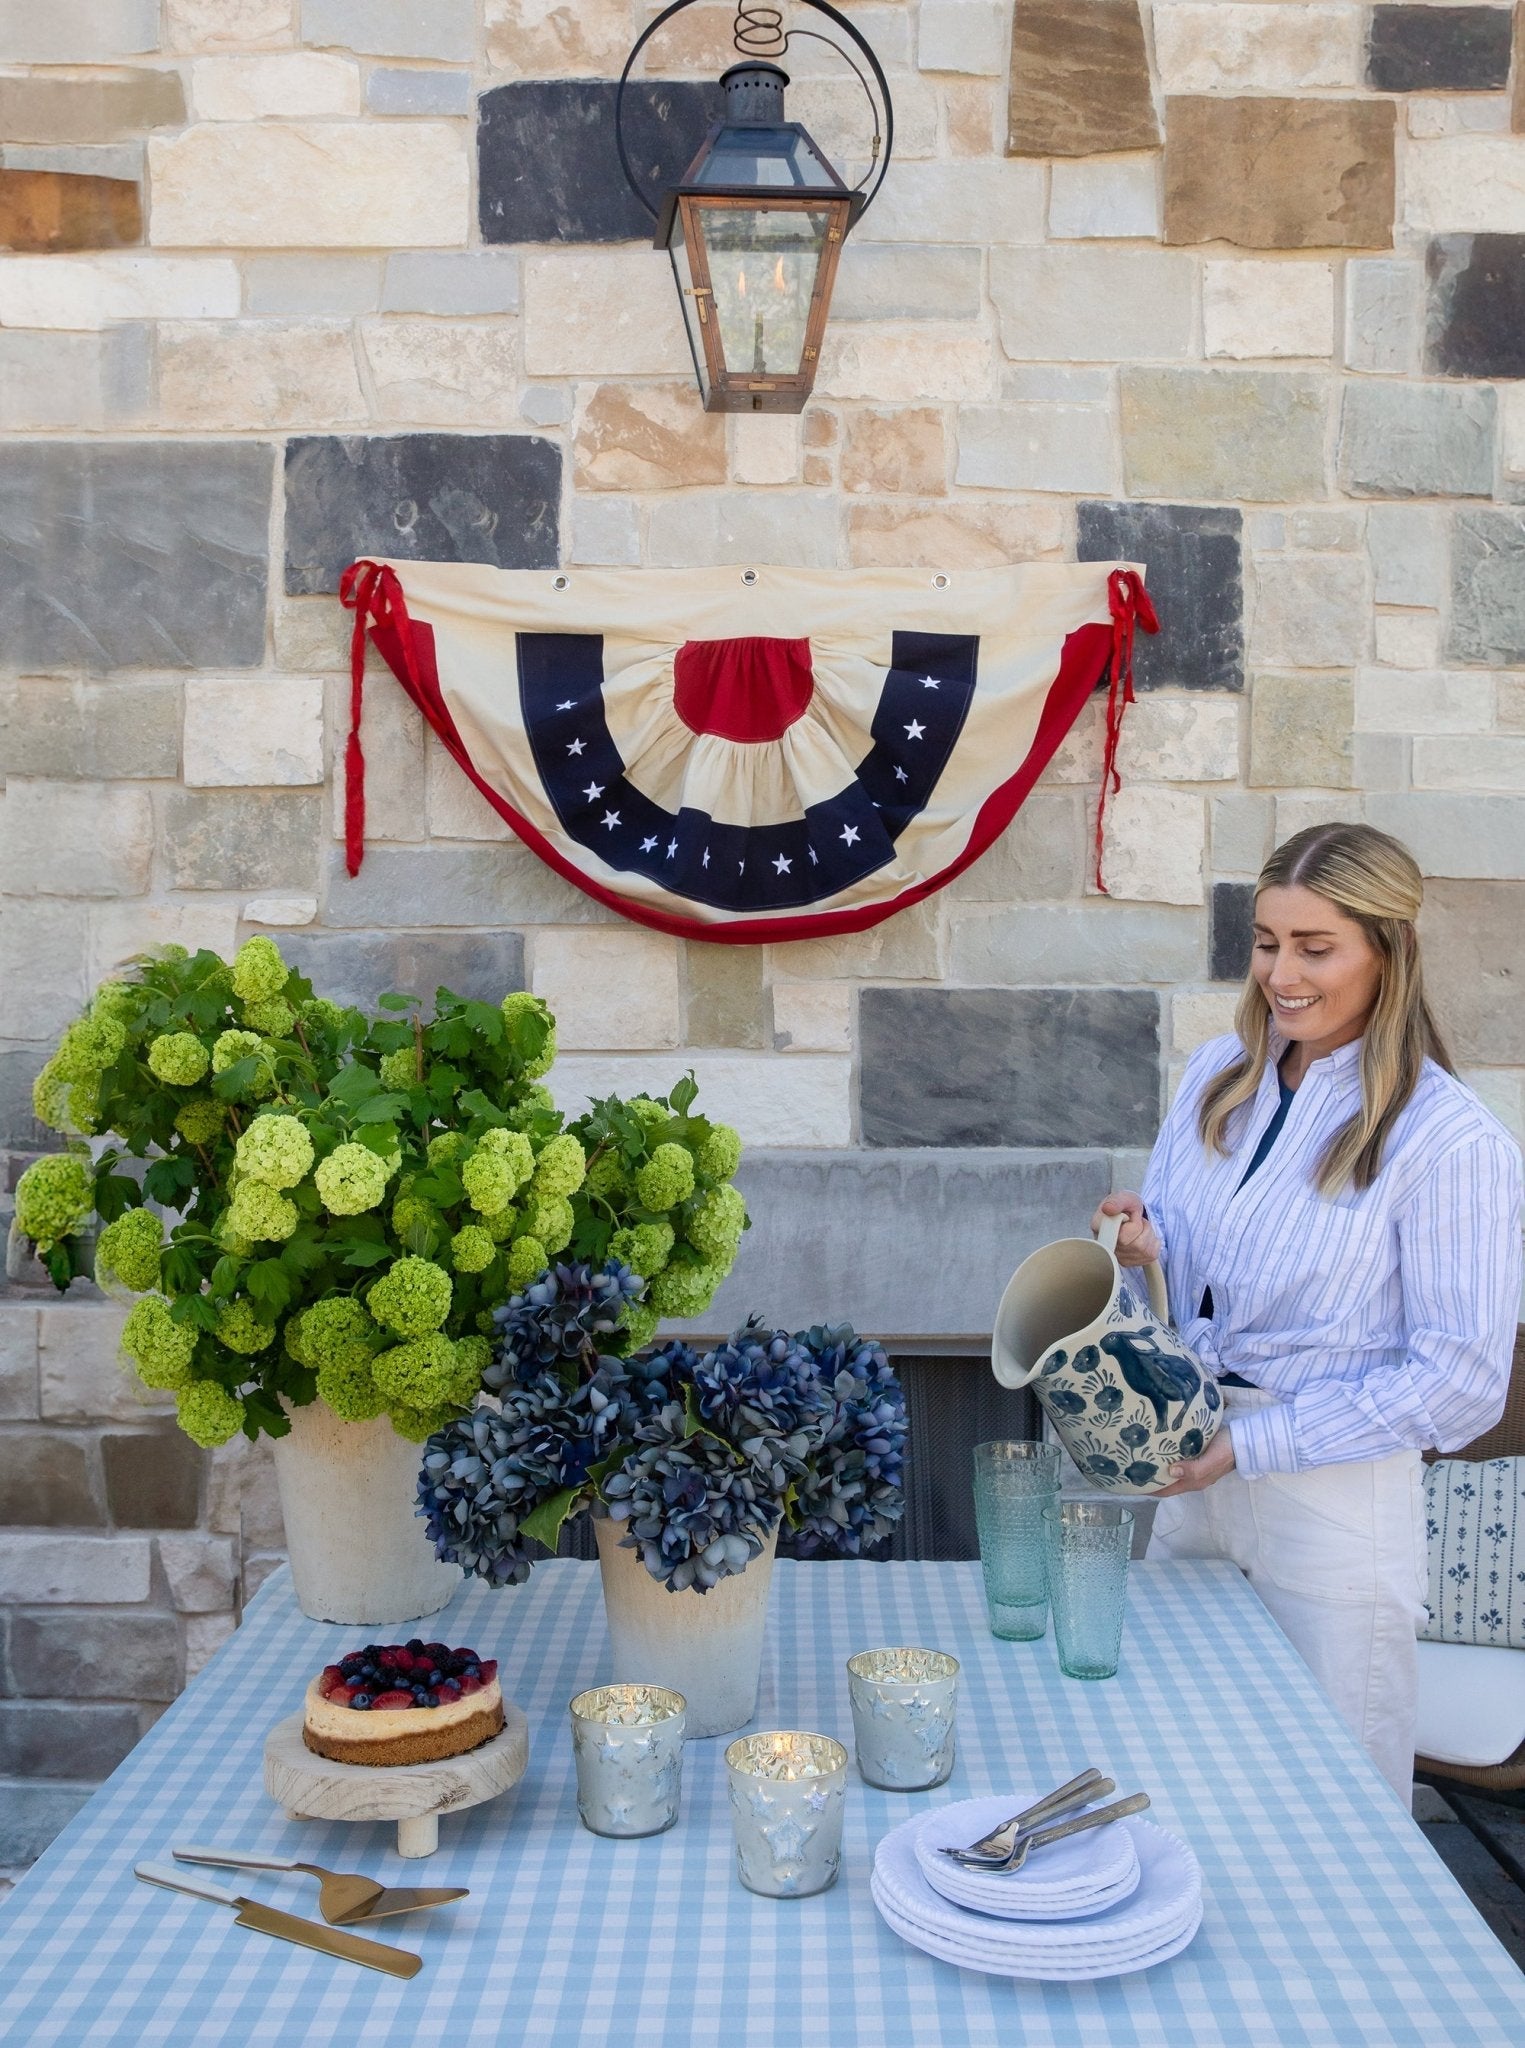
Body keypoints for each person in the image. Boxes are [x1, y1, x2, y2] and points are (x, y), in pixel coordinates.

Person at [1095, 823, 1522, 1799]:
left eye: (1314, 946)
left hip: (1332, 1499)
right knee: (1173, 1749)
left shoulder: (1447, 1138)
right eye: (1265, 940)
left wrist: (1256, 1444)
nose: (1279, 973)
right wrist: (1145, 1250)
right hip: (1192, 1462)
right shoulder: (1214, 1078)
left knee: (1333, 1792)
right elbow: (1191, 1295)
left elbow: (1459, 1381)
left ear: (1390, 948)